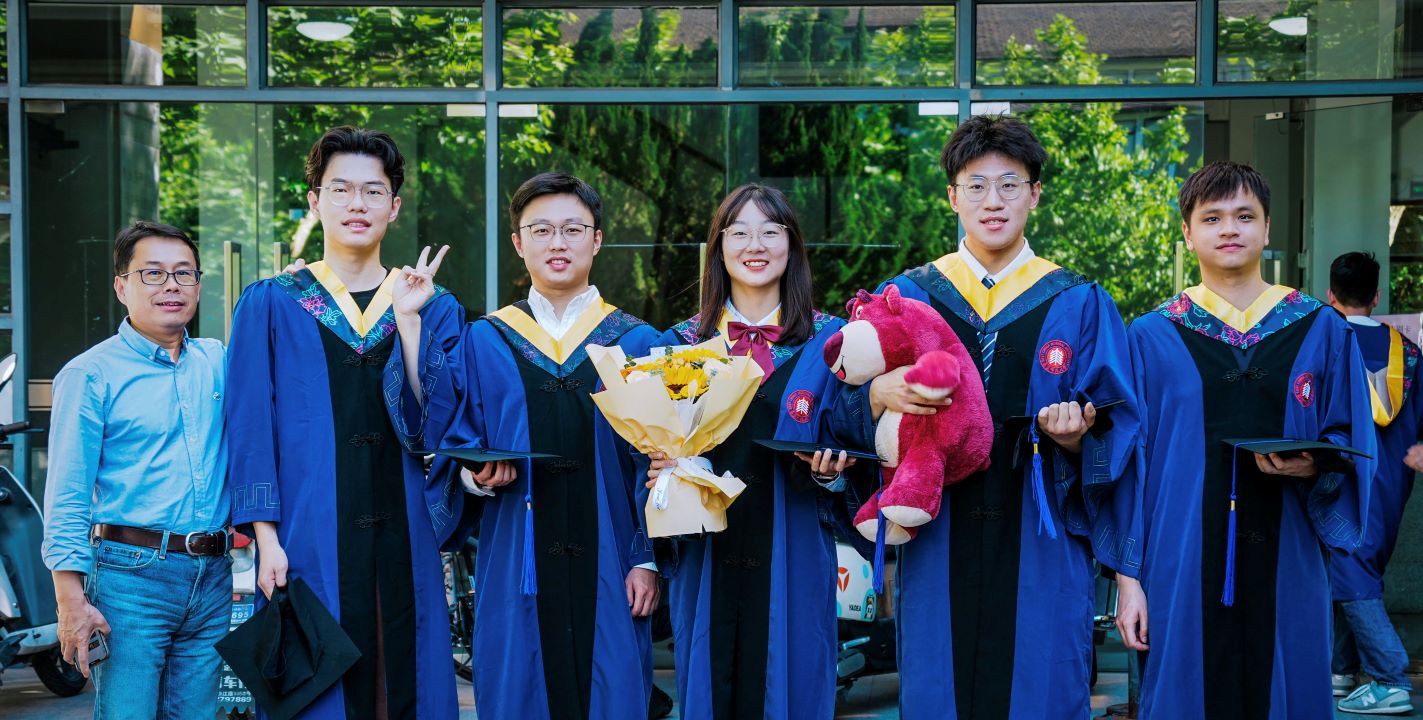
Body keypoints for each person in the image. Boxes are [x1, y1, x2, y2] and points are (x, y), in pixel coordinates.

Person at [833, 115, 1139, 720]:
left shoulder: (1078, 300)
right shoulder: (909, 297)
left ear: (1035, 193)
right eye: (975, 185)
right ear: (952, 196)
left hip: (1041, 535)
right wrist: (878, 396)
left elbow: (1121, 426)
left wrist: (1078, 441)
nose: (992, 201)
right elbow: (843, 409)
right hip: (938, 538)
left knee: (1042, 686)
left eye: (1009, 184)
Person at [387, 172, 660, 720]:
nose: (557, 243)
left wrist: (647, 559)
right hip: (516, 556)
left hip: (612, 559)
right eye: (541, 230)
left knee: (613, 689)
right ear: (518, 243)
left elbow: (655, 465)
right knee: (517, 687)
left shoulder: (637, 342)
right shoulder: (487, 339)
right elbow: (442, 433)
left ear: (597, 239)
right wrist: (473, 477)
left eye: (572, 229)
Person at [1113, 161, 1376, 720]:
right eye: (1212, 217)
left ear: (1267, 228)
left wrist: (1315, 466)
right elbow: (1129, 466)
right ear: (1188, 232)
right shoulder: (1151, 336)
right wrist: (1127, 579)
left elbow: (1349, 437)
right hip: (1179, 557)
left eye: (1243, 215)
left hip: (1289, 553)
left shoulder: (1318, 328)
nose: (1228, 228)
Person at [226, 126, 462, 719]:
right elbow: (250, 425)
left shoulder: (431, 303)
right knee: (320, 689)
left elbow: (438, 428)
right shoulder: (272, 302)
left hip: (406, 530)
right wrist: (266, 539)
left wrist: (410, 325)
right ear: (314, 201)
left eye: (372, 191)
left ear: (394, 205)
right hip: (306, 534)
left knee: (400, 678)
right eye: (341, 190)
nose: (357, 204)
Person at [647, 183, 857, 720]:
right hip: (707, 556)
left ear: (793, 245)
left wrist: (834, 475)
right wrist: (661, 474)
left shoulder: (833, 344)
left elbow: (859, 458)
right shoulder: (680, 346)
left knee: (791, 682)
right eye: (738, 232)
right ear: (718, 248)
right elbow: (649, 455)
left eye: (770, 230)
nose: (754, 244)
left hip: (795, 548)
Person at [42, 221, 232, 719]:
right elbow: (66, 495)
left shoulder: (217, 362)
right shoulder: (90, 375)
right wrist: (70, 600)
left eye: (184, 274)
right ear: (121, 285)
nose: (171, 286)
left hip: (212, 576)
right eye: (153, 273)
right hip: (131, 578)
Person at [1326, 251, 1417, 715]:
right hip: (1392, 481)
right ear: (1377, 295)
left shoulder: (1322, 343)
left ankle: (1390, 678)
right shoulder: (1409, 353)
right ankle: (1340, 669)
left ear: (1329, 294)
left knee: (1350, 568)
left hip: (1341, 475)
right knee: (1355, 567)